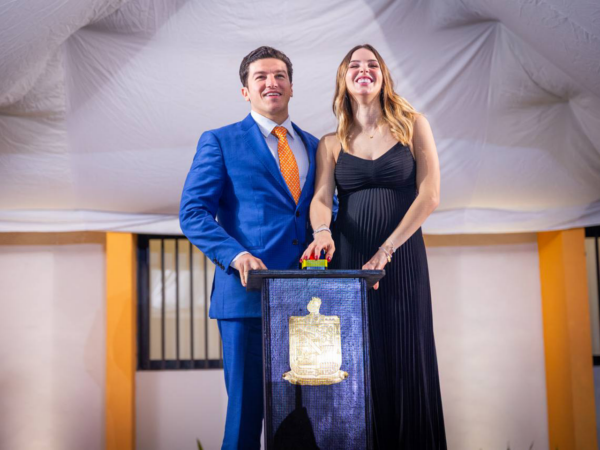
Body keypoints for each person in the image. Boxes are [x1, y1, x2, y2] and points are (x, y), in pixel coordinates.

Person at [302, 44, 447, 449]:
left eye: (372, 64)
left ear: (383, 76)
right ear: (343, 79)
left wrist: (386, 250)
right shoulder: (331, 142)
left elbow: (430, 195)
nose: (363, 69)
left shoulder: (413, 125)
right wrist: (322, 231)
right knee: (357, 362)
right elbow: (321, 198)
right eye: (355, 65)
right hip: (349, 263)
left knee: (406, 356)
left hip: (400, 259)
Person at [180, 46, 319, 450]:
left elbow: (324, 209)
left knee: (303, 419)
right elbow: (193, 212)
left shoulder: (316, 146)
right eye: (261, 77)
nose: (271, 83)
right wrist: (236, 254)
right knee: (245, 417)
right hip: (246, 300)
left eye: (279, 76)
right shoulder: (220, 141)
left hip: (307, 303)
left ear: (291, 86)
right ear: (245, 91)